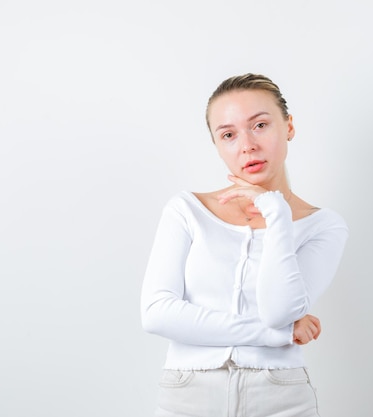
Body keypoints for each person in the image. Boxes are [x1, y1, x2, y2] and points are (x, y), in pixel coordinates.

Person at [141, 73, 349, 417]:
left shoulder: (323, 226)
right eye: (228, 135)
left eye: (260, 125)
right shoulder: (187, 211)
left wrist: (276, 212)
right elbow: (157, 313)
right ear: (218, 145)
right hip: (188, 395)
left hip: (282, 398)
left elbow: (278, 311)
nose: (247, 145)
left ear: (289, 127)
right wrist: (277, 334)